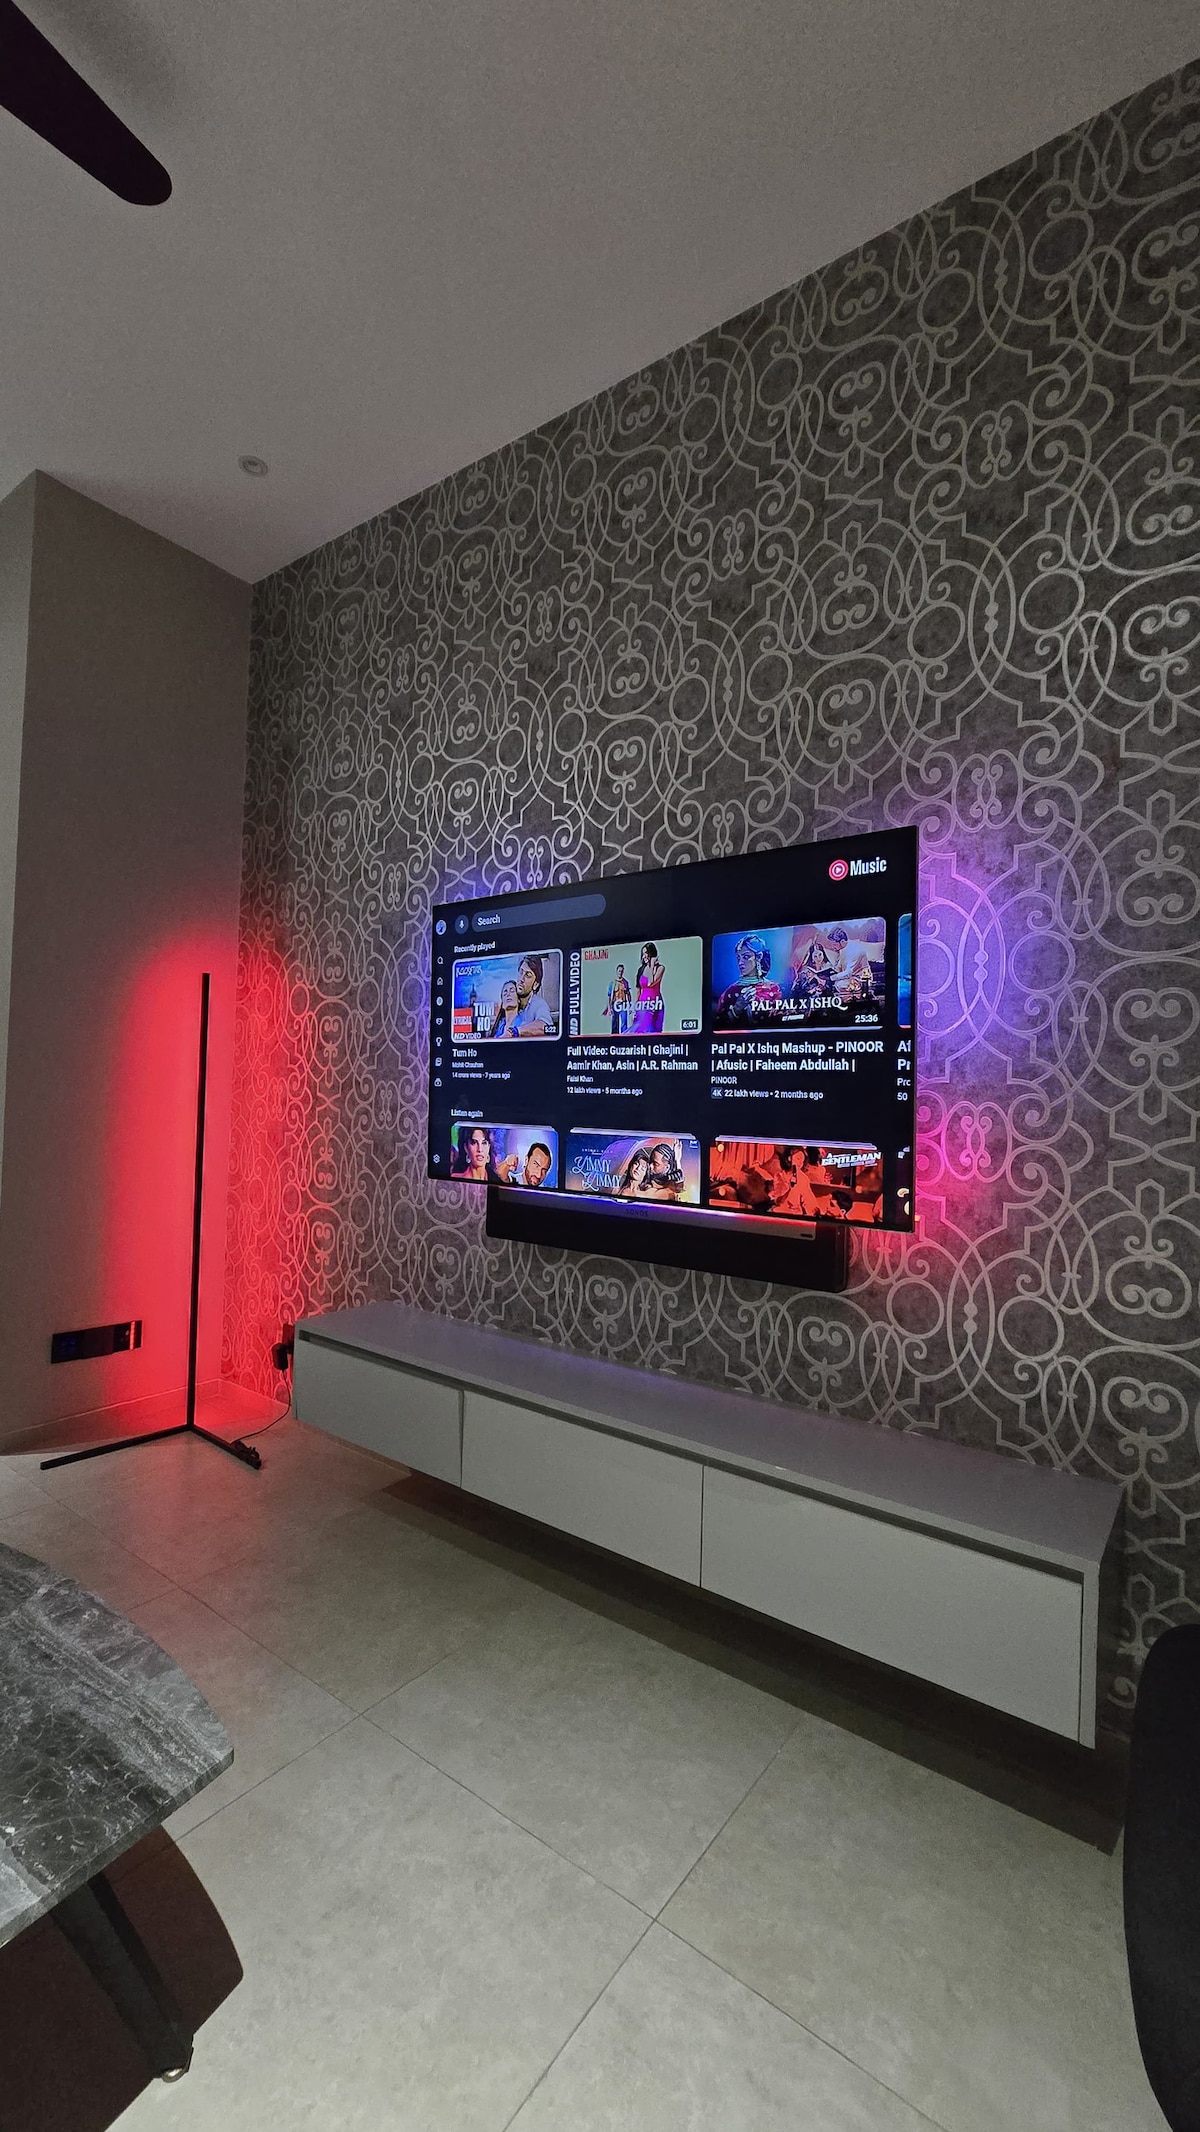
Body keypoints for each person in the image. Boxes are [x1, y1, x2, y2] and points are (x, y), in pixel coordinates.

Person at [714, 934, 783, 1027]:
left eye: (746, 957)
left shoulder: (773, 989)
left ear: (759, 957)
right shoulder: (731, 992)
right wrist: (737, 1007)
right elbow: (718, 1025)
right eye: (738, 958)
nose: (740, 962)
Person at [513, 954, 557, 1038]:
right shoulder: (510, 999)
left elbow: (545, 1026)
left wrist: (516, 1032)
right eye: (521, 972)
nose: (521, 979)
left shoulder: (539, 1004)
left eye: (528, 975)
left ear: (535, 985)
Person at [631, 943, 666, 1034]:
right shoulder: (641, 970)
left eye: (646, 953)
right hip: (643, 1004)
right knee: (642, 1028)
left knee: (655, 1031)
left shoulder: (660, 968)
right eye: (643, 954)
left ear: (652, 953)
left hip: (656, 1004)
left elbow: (651, 983)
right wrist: (635, 1009)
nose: (644, 956)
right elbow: (638, 991)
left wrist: (651, 965)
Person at [606, 963, 632, 1036]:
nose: (620, 973)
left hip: (623, 1005)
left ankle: (624, 1037)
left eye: (621, 971)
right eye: (619, 971)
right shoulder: (612, 983)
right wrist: (609, 1008)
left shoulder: (625, 982)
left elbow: (628, 994)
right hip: (615, 1004)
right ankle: (614, 1037)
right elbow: (609, 996)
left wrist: (630, 1005)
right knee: (615, 1022)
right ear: (617, 971)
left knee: (624, 1022)